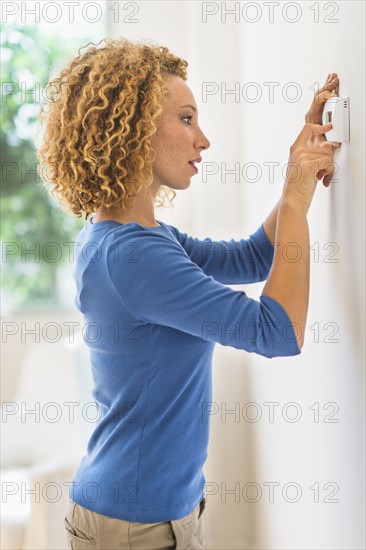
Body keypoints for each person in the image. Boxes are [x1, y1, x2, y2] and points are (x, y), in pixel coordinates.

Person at [36, 36, 340, 550]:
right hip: (133, 529)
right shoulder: (133, 257)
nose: (204, 140)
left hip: (155, 515)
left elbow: (249, 257)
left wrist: (295, 185)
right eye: (185, 119)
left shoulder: (138, 239)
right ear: (131, 131)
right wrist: (295, 198)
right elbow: (279, 331)